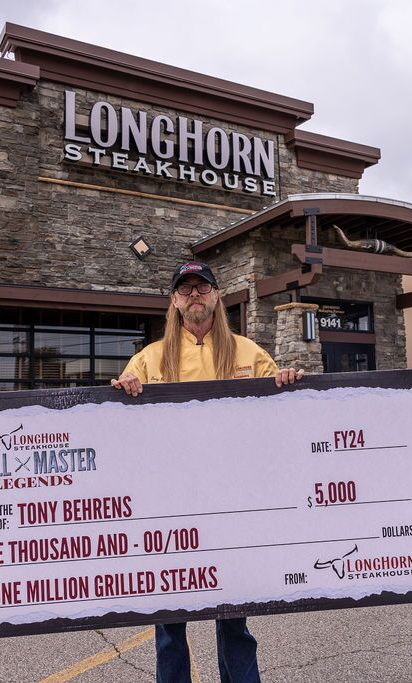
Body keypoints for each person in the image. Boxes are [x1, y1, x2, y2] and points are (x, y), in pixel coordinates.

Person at [112, 260, 304, 683]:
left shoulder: (249, 353)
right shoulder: (149, 358)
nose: (195, 294)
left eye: (203, 287)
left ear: (216, 296)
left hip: (233, 502)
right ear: (175, 301)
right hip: (171, 503)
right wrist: (121, 391)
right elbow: (122, 425)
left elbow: (283, 416)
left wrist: (289, 383)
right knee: (169, 619)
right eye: (186, 289)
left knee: (234, 614)